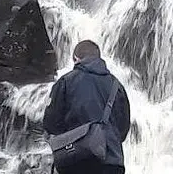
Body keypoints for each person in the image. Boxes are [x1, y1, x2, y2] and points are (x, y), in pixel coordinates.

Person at [43, 40, 131, 174]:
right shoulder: (117, 86)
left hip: (77, 160)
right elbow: (123, 129)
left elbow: (51, 124)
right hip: (112, 163)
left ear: (75, 59)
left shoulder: (65, 82)